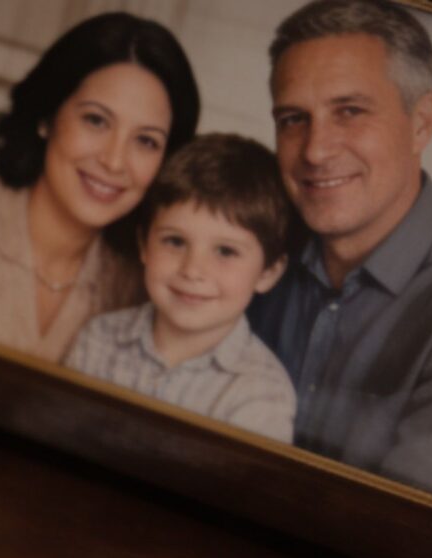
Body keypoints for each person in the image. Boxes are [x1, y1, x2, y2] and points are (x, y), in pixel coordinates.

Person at [246, 0, 432, 495]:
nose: (316, 150)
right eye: (293, 119)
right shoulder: (250, 247)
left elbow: (407, 530)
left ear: (422, 122)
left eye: (350, 111)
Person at [0, 13, 200, 363]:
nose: (114, 161)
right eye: (96, 120)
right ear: (47, 117)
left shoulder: (142, 283)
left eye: (146, 141)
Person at [67, 135, 297, 443]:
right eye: (175, 241)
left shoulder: (261, 392)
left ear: (268, 272)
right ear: (144, 245)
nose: (192, 270)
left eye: (226, 251)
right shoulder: (99, 339)